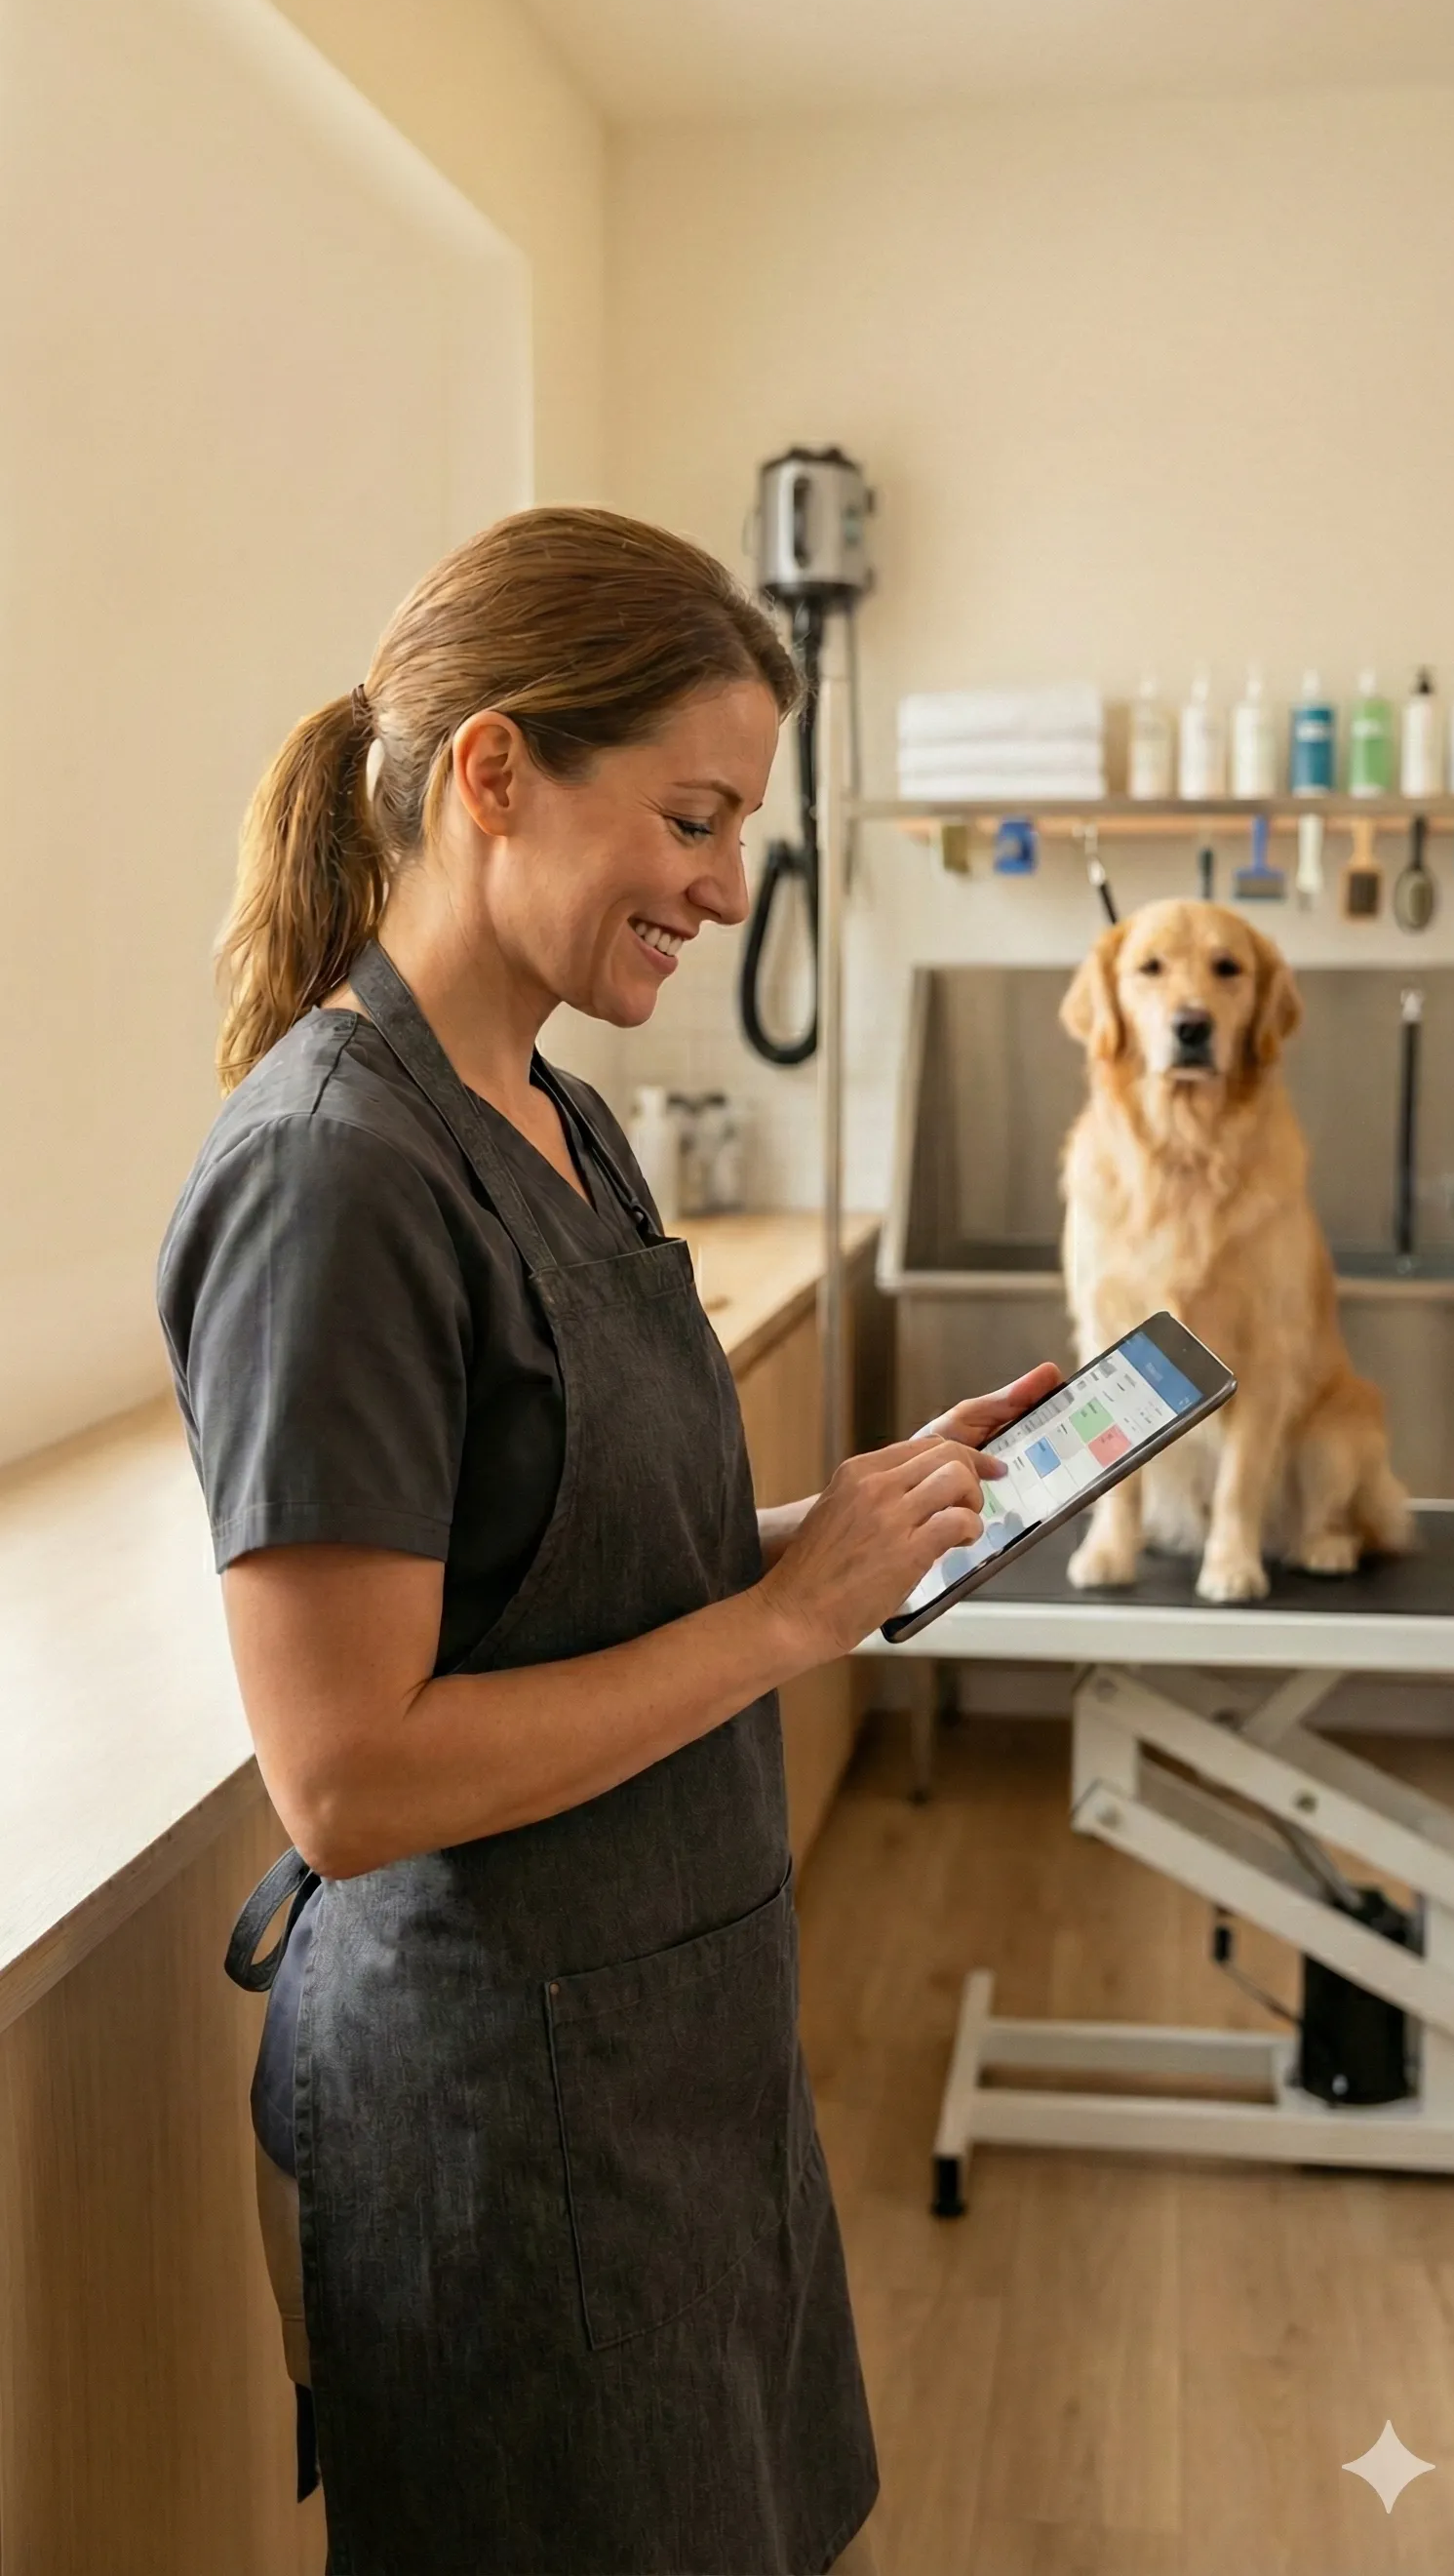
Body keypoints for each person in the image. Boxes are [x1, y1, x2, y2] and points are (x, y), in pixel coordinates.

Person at [157, 506, 1057, 2576]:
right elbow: (351, 1772)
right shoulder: (334, 1174)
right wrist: (782, 1624)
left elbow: (572, 1555)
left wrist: (837, 1533)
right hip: (502, 2117)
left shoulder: (564, 1113)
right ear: (494, 773)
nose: (729, 887)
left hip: (682, 2044)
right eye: (693, 814)